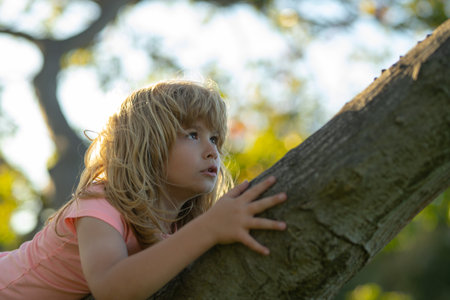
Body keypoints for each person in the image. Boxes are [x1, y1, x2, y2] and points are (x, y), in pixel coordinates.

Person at [0, 79, 287, 300]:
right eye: (192, 135)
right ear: (148, 147)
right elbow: (110, 287)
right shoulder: (102, 203)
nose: (212, 150)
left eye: (214, 138)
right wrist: (210, 228)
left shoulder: (177, 226)